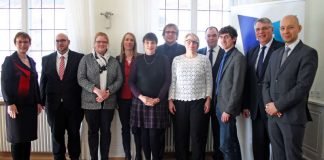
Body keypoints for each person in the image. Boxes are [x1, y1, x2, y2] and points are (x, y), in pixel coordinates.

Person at [263, 15, 318, 160]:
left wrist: (278, 106)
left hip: (292, 117)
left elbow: (302, 87)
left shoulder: (308, 53)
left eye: (290, 27)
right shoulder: (275, 54)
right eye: (282, 28)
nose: (286, 31)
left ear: (299, 28)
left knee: (292, 156)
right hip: (273, 117)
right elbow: (266, 83)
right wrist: (270, 106)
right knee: (277, 155)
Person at [241, 17, 284, 160]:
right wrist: (246, 104)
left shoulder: (282, 49)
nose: (261, 32)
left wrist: (279, 104)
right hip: (257, 108)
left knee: (279, 146)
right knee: (259, 145)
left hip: (276, 107)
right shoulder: (252, 52)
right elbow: (248, 81)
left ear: (272, 30)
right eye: (258, 29)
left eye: (265, 28)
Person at [77, 32, 123, 160]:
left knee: (106, 132)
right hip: (90, 103)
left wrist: (108, 92)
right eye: (98, 41)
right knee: (92, 132)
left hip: (108, 103)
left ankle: (104, 157)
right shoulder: (86, 59)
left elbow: (119, 80)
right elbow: (81, 78)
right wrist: (96, 90)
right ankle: (93, 158)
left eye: (104, 42)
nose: (101, 44)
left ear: (107, 44)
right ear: (94, 43)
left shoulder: (113, 61)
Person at [40, 33, 84, 160]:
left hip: (74, 106)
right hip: (53, 106)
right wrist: (41, 101)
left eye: (63, 40)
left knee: (74, 135)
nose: (60, 43)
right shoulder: (46, 59)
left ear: (68, 42)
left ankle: (74, 157)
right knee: (57, 136)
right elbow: (43, 81)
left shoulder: (79, 58)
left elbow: (82, 80)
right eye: (58, 41)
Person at [169, 33, 212, 160]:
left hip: (198, 102)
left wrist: (208, 99)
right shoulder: (177, 60)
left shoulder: (204, 59)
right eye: (189, 41)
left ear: (198, 45)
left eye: (195, 42)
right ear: (185, 43)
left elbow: (209, 81)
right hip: (179, 102)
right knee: (180, 135)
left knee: (197, 135)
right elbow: (173, 81)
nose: (192, 44)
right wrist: (170, 100)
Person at [1, 32, 43, 160]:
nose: (23, 44)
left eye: (26, 42)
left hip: (30, 106)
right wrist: (9, 103)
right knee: (17, 139)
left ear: (29, 44)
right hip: (16, 106)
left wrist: (38, 102)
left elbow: (35, 83)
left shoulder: (31, 61)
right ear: (15, 43)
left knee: (27, 139)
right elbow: (4, 83)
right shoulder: (9, 61)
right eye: (20, 42)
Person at [129, 32, 171, 160]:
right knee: (144, 136)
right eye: (147, 42)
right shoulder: (138, 60)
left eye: (152, 42)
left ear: (156, 44)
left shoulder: (164, 59)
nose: (150, 45)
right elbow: (131, 81)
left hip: (158, 102)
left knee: (155, 136)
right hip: (141, 102)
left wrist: (158, 98)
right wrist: (141, 97)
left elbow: (167, 80)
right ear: (143, 44)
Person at [216, 26, 246, 160]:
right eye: (221, 37)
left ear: (234, 39)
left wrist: (228, 110)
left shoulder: (238, 57)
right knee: (231, 141)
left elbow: (237, 87)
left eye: (226, 37)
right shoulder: (225, 54)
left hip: (226, 108)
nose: (223, 40)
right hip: (219, 105)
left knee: (226, 145)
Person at [197, 26, 224, 160]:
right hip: (202, 100)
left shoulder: (225, 53)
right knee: (201, 131)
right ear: (205, 37)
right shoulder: (199, 53)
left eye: (214, 35)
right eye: (209, 35)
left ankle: (218, 156)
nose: (211, 38)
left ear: (218, 37)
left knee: (218, 131)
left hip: (220, 100)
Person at [116, 32, 142, 160]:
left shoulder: (141, 58)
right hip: (122, 99)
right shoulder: (116, 60)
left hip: (137, 99)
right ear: (123, 42)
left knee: (137, 128)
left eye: (132, 40)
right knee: (125, 128)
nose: (129, 42)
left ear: (134, 43)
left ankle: (138, 155)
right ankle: (127, 155)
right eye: (127, 39)